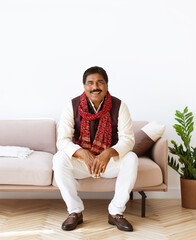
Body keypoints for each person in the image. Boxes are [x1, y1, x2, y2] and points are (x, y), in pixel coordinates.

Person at [52, 66, 139, 232]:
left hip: (108, 163)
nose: (95, 87)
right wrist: (83, 153)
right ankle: (75, 211)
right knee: (58, 158)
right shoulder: (72, 105)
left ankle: (116, 213)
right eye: (90, 83)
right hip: (82, 164)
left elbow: (128, 139)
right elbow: (62, 141)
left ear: (107, 85)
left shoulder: (120, 106)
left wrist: (108, 153)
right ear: (84, 86)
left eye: (100, 82)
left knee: (131, 158)